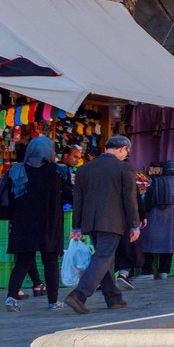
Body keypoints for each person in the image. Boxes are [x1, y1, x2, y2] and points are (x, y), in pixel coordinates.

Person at [66, 135, 142, 315]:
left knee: (105, 257)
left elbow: (78, 200)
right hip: (112, 221)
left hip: (90, 221)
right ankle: (79, 295)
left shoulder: (85, 169)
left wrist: (76, 227)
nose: (126, 155)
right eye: (126, 152)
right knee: (103, 257)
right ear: (122, 148)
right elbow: (130, 200)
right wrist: (134, 225)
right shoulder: (124, 169)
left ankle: (113, 298)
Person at [3, 136, 69, 312]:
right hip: (49, 222)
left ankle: (11, 297)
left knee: (23, 261)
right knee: (50, 260)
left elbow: (8, 198)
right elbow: (70, 195)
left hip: (23, 223)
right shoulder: (58, 171)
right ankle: (53, 302)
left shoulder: (17, 171)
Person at [139, 161, 174, 279]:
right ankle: (164, 271)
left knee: (147, 242)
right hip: (173, 216)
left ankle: (148, 271)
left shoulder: (156, 182)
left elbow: (148, 200)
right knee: (168, 242)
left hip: (155, 213)